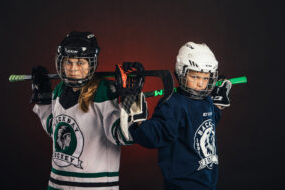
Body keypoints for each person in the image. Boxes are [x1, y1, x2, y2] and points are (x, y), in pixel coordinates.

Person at [31, 31, 133, 190]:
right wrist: (44, 99)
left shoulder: (103, 91)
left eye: (80, 63)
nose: (73, 68)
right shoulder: (59, 89)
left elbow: (122, 136)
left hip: (93, 186)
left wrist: (130, 101)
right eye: (68, 62)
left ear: (91, 63)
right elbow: (55, 129)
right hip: (57, 183)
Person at [127, 42, 232, 190]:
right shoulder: (174, 104)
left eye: (206, 78)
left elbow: (207, 124)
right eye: (195, 76)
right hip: (182, 185)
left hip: (207, 183)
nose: (201, 84)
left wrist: (217, 106)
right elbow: (157, 136)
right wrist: (137, 121)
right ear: (181, 72)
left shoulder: (206, 100)